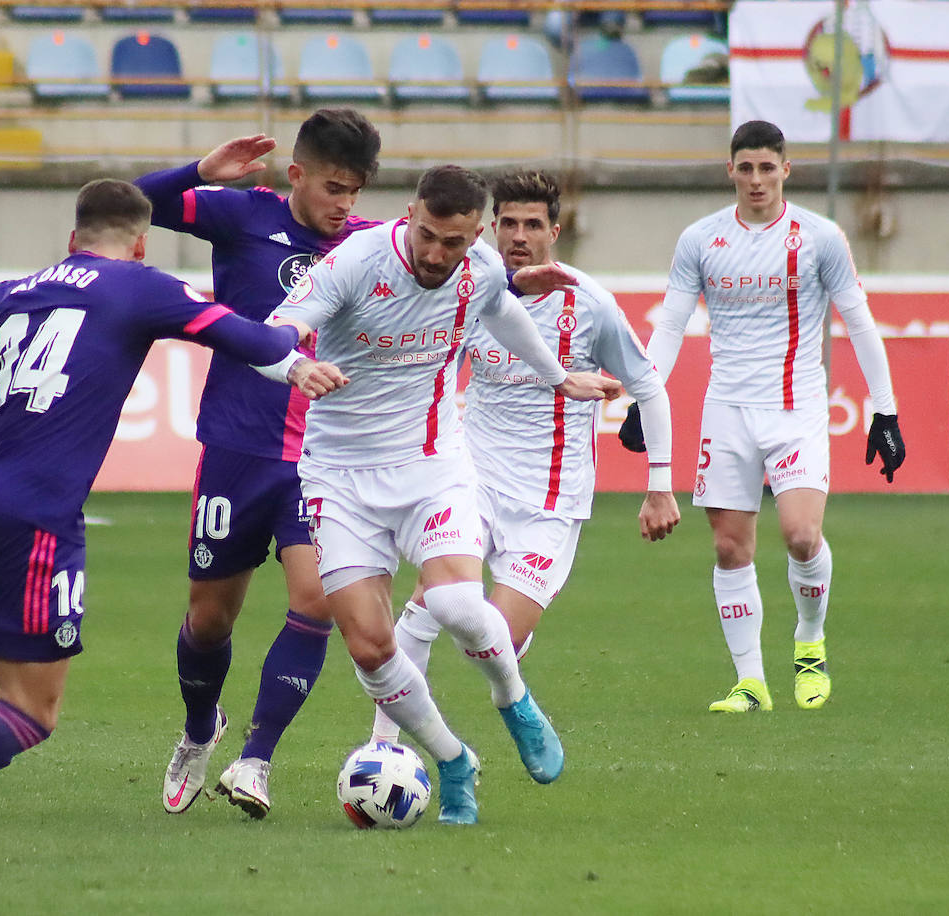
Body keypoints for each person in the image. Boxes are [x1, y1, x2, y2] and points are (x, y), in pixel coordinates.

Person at [0, 179, 345, 868]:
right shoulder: (139, 285)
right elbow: (238, 333)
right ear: (141, 243)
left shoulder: (12, 291)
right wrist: (298, 358)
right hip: (37, 513)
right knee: (32, 711)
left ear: (72, 237)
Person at [262, 165, 624, 825]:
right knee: (371, 648)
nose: (435, 254)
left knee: (458, 600)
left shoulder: (480, 268)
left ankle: (514, 700)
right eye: (426, 235)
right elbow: (270, 331)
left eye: (451, 243)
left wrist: (557, 378)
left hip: (432, 463)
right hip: (338, 476)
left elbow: (506, 313)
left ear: (475, 235)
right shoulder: (356, 263)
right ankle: (453, 759)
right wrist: (297, 364)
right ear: (408, 214)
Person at [369, 168, 680, 746]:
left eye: (532, 224)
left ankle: (509, 688)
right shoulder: (467, 287)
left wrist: (658, 485)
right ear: (490, 228)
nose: (518, 236)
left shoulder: (589, 304)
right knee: (425, 605)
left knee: (490, 641)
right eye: (508, 223)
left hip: (549, 503)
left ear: (554, 232)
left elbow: (649, 384)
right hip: (470, 483)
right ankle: (381, 749)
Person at [134, 109, 381, 819]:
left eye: (356, 192)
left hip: (322, 458)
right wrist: (198, 173)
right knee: (209, 622)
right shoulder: (242, 216)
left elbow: (444, 266)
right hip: (236, 450)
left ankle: (256, 759)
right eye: (334, 188)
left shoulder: (368, 244)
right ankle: (197, 728)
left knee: (315, 601)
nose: (346, 206)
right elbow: (123, 204)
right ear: (296, 174)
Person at [618, 120, 905, 712]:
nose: (756, 180)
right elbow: (670, 325)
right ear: (730, 171)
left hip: (796, 409)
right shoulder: (700, 239)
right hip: (727, 411)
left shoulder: (819, 237)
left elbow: (859, 320)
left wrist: (886, 411)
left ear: (786, 171)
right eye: (745, 168)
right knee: (730, 549)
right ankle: (750, 683)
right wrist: (645, 397)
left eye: (766, 168)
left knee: (802, 535)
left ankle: (809, 643)